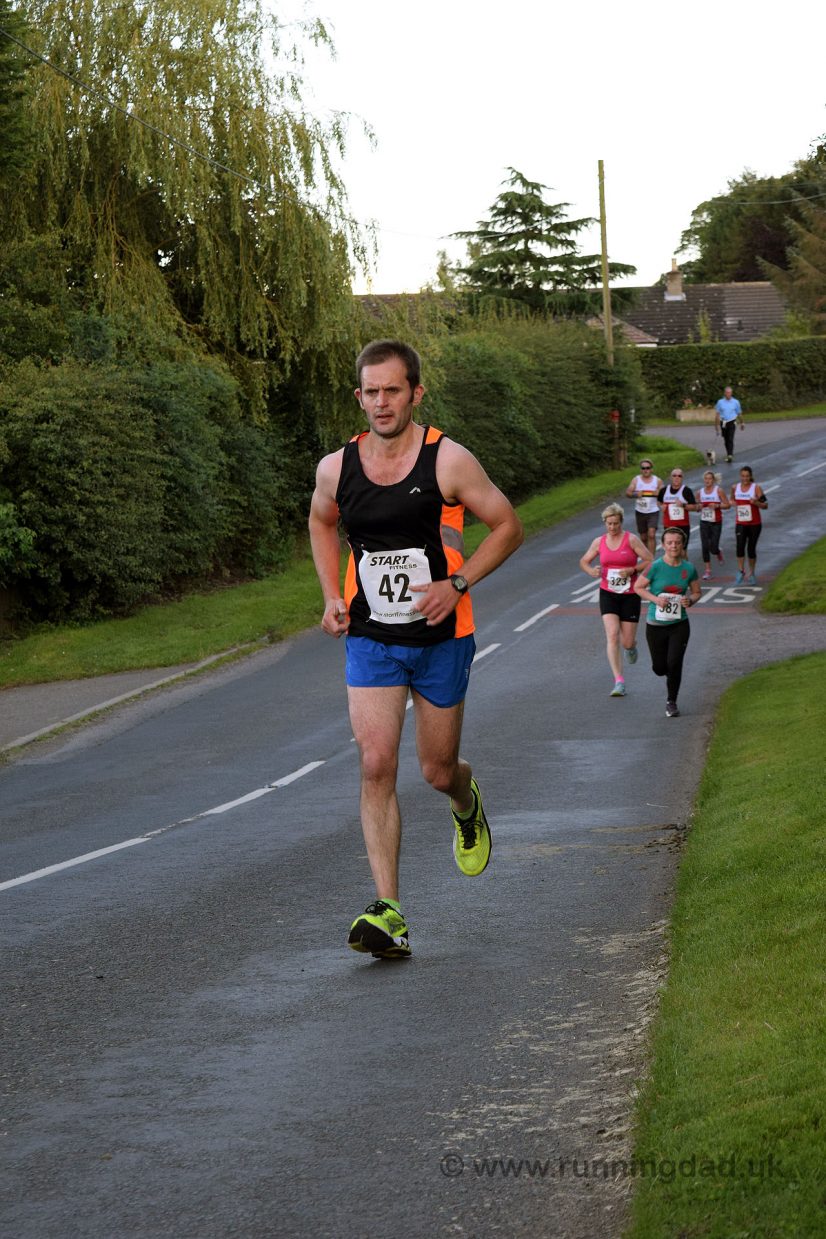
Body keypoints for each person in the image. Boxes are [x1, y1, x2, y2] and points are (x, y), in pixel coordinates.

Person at [308, 339, 524, 960]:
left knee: (434, 770)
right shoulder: (336, 469)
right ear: (359, 397)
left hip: (441, 638)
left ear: (415, 393)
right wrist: (330, 594)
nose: (381, 402)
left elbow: (507, 524)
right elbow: (322, 521)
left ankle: (465, 798)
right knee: (376, 763)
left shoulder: (448, 461)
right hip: (373, 638)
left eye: (392, 390)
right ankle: (390, 911)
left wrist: (457, 584)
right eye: (370, 391)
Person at [579, 503, 652, 698]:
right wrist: (591, 570)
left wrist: (633, 569)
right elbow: (584, 561)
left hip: (630, 595)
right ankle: (619, 681)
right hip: (608, 593)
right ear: (605, 523)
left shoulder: (631, 540)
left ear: (621, 522)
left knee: (626, 641)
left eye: (616, 524)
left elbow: (649, 559)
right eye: (609, 524)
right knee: (612, 635)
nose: (613, 528)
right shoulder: (599, 542)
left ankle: (631, 647)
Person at [634, 527, 701, 718]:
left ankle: (672, 701)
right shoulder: (655, 566)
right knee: (659, 668)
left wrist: (691, 600)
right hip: (655, 625)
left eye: (677, 542)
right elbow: (638, 587)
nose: (674, 546)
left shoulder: (688, 568)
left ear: (683, 545)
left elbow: (696, 592)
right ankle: (664, 673)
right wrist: (656, 600)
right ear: (663, 545)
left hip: (679, 624)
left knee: (675, 663)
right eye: (670, 542)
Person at [730, 465, 767, 584]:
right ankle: (741, 571)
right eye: (743, 476)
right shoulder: (735, 487)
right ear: (740, 476)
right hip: (741, 522)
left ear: (750, 476)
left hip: (754, 523)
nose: (745, 478)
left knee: (751, 549)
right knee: (740, 546)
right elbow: (731, 500)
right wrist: (733, 503)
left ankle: (752, 573)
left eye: (747, 476)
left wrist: (756, 502)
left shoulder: (756, 488)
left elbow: (765, 505)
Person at [625, 458, 663, 556]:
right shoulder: (636, 480)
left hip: (653, 511)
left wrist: (659, 493)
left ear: (651, 469)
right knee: (643, 537)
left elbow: (664, 494)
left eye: (648, 468)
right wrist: (636, 494)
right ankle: (647, 556)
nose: (645, 470)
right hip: (640, 512)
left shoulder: (657, 480)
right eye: (643, 468)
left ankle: (651, 559)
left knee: (651, 534)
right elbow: (628, 493)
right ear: (641, 470)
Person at [697, 469, 731, 580]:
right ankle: (708, 570)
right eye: (706, 479)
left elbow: (727, 505)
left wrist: (717, 506)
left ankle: (717, 551)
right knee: (705, 546)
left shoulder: (718, 491)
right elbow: (695, 506)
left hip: (716, 522)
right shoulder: (700, 492)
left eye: (710, 479)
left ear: (713, 480)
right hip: (704, 522)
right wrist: (699, 507)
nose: (707, 481)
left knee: (713, 547)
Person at [657, 468, 698, 549]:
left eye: (679, 476)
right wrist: (661, 507)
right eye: (674, 475)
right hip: (668, 525)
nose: (676, 478)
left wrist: (683, 505)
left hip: (683, 525)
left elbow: (694, 507)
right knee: (670, 551)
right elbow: (659, 502)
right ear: (670, 477)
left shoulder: (686, 491)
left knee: (682, 551)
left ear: (682, 478)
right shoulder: (664, 491)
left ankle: (684, 562)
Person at [715, 385, 744, 463]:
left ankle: (730, 455)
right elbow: (717, 414)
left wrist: (742, 423)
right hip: (723, 422)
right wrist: (716, 426)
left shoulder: (736, 402)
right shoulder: (720, 402)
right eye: (727, 393)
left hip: (732, 421)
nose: (728, 394)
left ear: (731, 393)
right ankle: (728, 453)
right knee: (726, 439)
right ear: (725, 393)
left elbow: (739, 413)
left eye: (730, 393)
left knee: (730, 438)